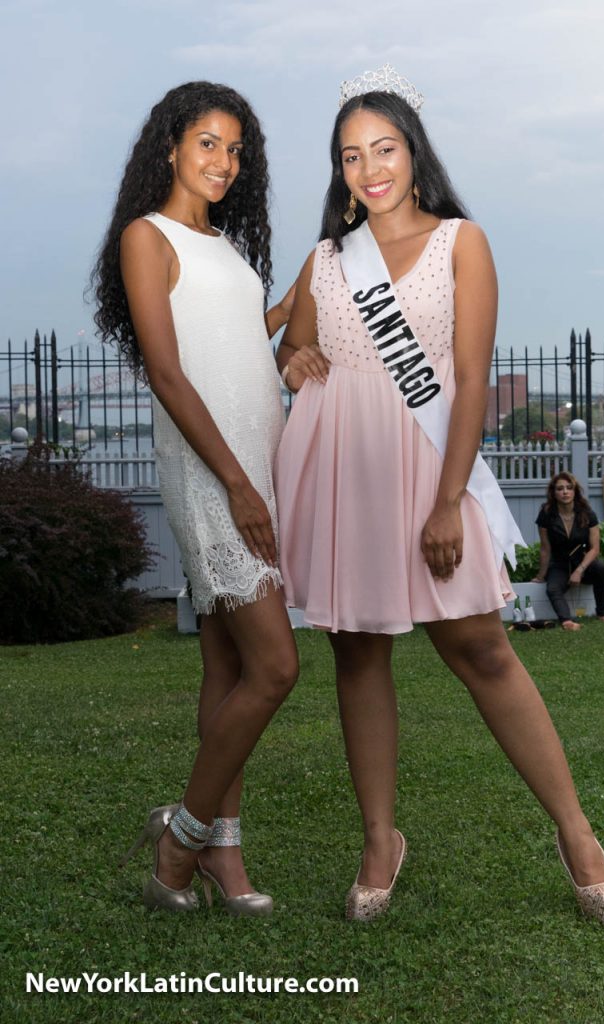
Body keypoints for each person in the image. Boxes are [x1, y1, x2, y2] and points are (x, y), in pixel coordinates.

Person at [274, 68, 604, 924]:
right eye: (350, 156)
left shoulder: (461, 240)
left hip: (429, 471)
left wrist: (444, 502)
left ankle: (576, 832)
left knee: (483, 651)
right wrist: (293, 360)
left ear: (413, 153)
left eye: (383, 148)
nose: (369, 168)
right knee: (357, 653)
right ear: (340, 170)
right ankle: (379, 840)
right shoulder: (326, 258)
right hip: (343, 473)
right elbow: (297, 348)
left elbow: (470, 383)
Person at [91, 81, 298, 913]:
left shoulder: (226, 246)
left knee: (230, 665)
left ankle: (226, 856)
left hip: (259, 459)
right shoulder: (149, 237)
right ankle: (180, 842)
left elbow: (246, 346)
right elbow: (170, 372)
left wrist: (304, 294)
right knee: (277, 666)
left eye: (236, 149)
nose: (224, 161)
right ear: (171, 146)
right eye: (208, 142)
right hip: (214, 472)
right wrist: (241, 484)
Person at [532, 472, 604, 631]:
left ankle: (602, 613)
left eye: (569, 488)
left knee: (601, 568)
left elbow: (595, 548)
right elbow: (545, 548)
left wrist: (579, 570)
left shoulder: (587, 513)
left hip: (582, 562)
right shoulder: (546, 514)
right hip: (560, 563)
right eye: (560, 488)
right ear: (553, 493)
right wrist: (540, 576)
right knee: (552, 589)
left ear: (575, 491)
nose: (565, 492)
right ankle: (567, 621)